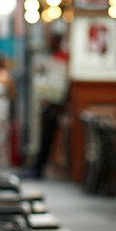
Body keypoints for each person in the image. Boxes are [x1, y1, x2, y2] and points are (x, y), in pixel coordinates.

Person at [33, 34, 69, 178]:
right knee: (44, 136)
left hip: (55, 103)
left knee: (47, 136)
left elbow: (59, 84)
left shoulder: (61, 60)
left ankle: (40, 167)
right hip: (49, 102)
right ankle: (39, 166)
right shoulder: (54, 59)